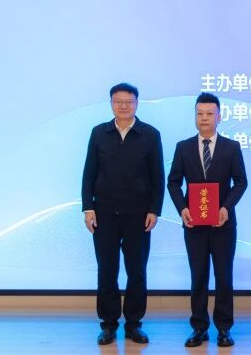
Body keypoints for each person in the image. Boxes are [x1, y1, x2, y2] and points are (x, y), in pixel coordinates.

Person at [81, 83, 164, 345]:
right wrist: (88, 207)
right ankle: (108, 325)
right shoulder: (99, 133)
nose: (123, 106)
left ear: (137, 103)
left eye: (128, 101)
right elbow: (89, 173)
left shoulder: (150, 134)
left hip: (138, 215)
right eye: (118, 101)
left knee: (137, 271)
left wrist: (154, 210)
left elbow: (158, 177)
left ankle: (134, 324)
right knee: (107, 270)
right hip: (104, 213)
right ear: (111, 104)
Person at [167, 93, 247, 347]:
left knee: (224, 276)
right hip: (194, 224)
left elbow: (241, 182)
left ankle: (224, 328)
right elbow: (173, 182)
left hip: (223, 224)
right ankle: (199, 327)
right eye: (199, 113)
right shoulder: (183, 147)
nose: (204, 118)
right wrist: (182, 209)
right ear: (195, 116)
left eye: (210, 113)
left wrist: (226, 207)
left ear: (219, 117)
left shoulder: (231, 147)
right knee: (198, 276)